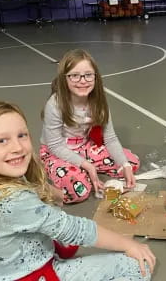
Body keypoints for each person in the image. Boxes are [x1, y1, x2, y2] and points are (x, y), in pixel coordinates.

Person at [0, 101, 155, 281]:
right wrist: (129, 244)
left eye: (22, 135)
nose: (18, 147)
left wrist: (47, 191)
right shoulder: (15, 202)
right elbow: (76, 230)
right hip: (29, 275)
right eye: (2, 140)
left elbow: (21, 196)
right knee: (138, 265)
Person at [40, 49, 140, 203]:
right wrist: (88, 166)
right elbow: (55, 146)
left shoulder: (98, 100)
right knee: (78, 190)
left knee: (131, 163)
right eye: (74, 75)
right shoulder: (55, 104)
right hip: (57, 152)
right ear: (64, 78)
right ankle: (49, 184)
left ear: (95, 77)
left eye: (88, 74)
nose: (82, 80)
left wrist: (124, 165)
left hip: (84, 147)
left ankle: (81, 170)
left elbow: (110, 138)